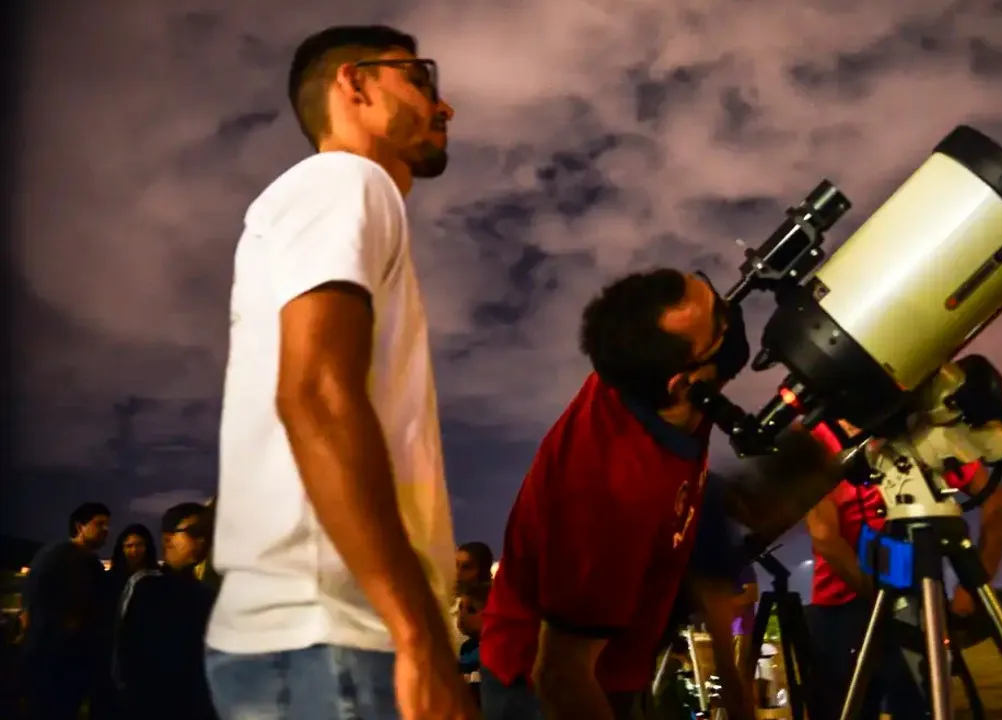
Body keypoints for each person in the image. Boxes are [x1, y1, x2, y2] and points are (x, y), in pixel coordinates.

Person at [205, 24, 476, 720]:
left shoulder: (337, 197)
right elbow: (317, 397)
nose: (444, 107)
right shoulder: (345, 180)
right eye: (420, 79)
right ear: (354, 83)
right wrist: (418, 636)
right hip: (338, 637)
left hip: (317, 638)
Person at [479, 268, 756, 720]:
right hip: (542, 689)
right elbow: (560, 675)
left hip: (617, 663)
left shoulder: (648, 381)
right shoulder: (608, 500)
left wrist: (730, 675)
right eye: (721, 324)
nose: (733, 315)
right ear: (686, 386)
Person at [804, 456, 1002, 720]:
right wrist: (979, 576)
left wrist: (974, 583)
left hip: (873, 603)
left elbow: (823, 533)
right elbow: (997, 499)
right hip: (868, 604)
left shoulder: (825, 443)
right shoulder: (921, 437)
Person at [114, 503, 219, 719]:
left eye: (207, 533)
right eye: (195, 532)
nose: (202, 540)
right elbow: (122, 656)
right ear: (168, 539)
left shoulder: (206, 595)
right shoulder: (144, 586)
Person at [19, 502, 112, 720]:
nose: (106, 530)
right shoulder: (54, 556)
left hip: (77, 663)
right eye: (100, 524)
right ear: (80, 527)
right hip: (50, 662)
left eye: (108, 525)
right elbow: (30, 605)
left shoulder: (93, 564)